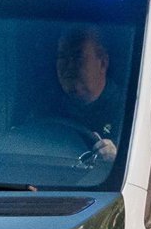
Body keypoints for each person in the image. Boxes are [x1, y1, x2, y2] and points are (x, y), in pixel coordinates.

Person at [52, 26, 121, 161]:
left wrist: (116, 159)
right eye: (62, 57)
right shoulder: (46, 108)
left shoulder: (129, 111)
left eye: (78, 57)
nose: (69, 65)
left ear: (103, 63)